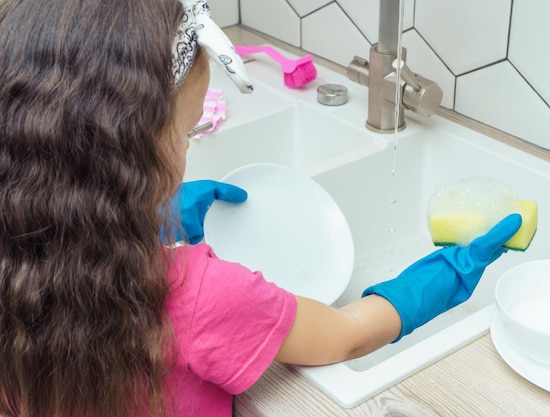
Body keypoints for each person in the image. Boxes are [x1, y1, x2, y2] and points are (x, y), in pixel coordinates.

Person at [0, 1, 523, 417]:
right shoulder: (195, 295)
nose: (189, 147)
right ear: (130, 155)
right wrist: (447, 273)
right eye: (187, 133)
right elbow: (348, 335)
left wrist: (143, 219)